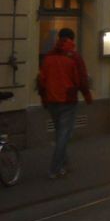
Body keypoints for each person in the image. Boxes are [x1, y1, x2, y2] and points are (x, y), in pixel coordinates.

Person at [37, 28, 93, 179]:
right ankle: (54, 169)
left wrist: (44, 99)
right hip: (67, 100)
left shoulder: (48, 57)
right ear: (72, 40)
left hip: (51, 100)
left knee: (60, 133)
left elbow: (41, 81)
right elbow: (82, 79)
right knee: (64, 135)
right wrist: (87, 96)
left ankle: (64, 165)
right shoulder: (74, 57)